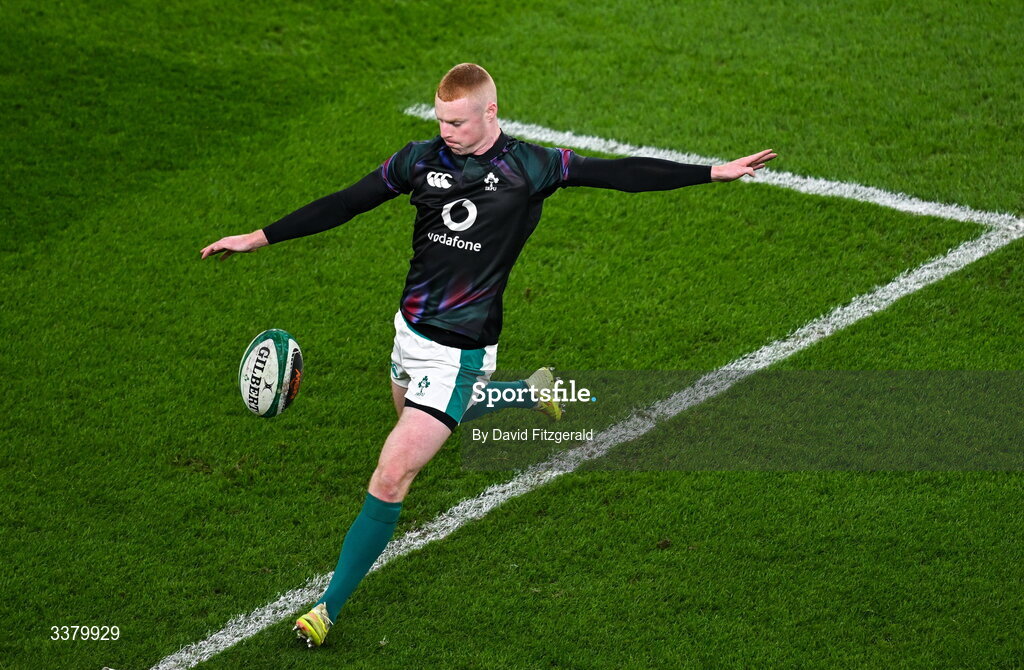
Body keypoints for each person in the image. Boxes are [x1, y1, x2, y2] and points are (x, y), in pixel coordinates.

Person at [199, 63, 776, 648]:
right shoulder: (419, 160)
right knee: (411, 416)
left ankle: (326, 609)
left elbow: (619, 173)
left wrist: (709, 172)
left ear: (490, 114)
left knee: (393, 472)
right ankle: (531, 392)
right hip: (410, 333)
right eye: (440, 118)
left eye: (456, 120)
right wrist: (258, 237)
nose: (444, 129)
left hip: (461, 353)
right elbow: (347, 202)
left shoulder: (531, 167)